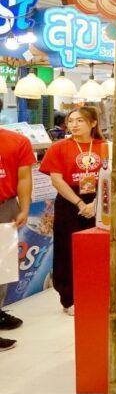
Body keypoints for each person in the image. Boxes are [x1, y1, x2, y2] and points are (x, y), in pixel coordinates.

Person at [38, 106, 106, 314]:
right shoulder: (59, 147)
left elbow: (112, 177)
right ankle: (69, 298)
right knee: (67, 250)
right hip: (69, 201)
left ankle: (99, 293)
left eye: (80, 121)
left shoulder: (106, 146)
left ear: (93, 123)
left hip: (101, 199)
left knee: (99, 249)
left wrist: (96, 203)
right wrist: (80, 204)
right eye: (71, 121)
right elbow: (57, 180)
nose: (74, 125)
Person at [0, 127, 34, 351]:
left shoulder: (17, 141)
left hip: (5, 207)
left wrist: (25, 207)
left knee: (2, 270)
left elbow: (24, 177)